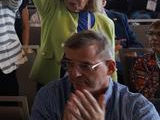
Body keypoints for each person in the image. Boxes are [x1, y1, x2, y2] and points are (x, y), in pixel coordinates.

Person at [31, 30, 159, 120]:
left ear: (110, 68)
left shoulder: (138, 109)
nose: (74, 74)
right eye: (69, 64)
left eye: (85, 66)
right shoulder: (50, 96)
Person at [130, 20, 160, 98]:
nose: (153, 38)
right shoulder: (143, 62)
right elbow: (145, 94)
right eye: (151, 34)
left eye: (159, 34)